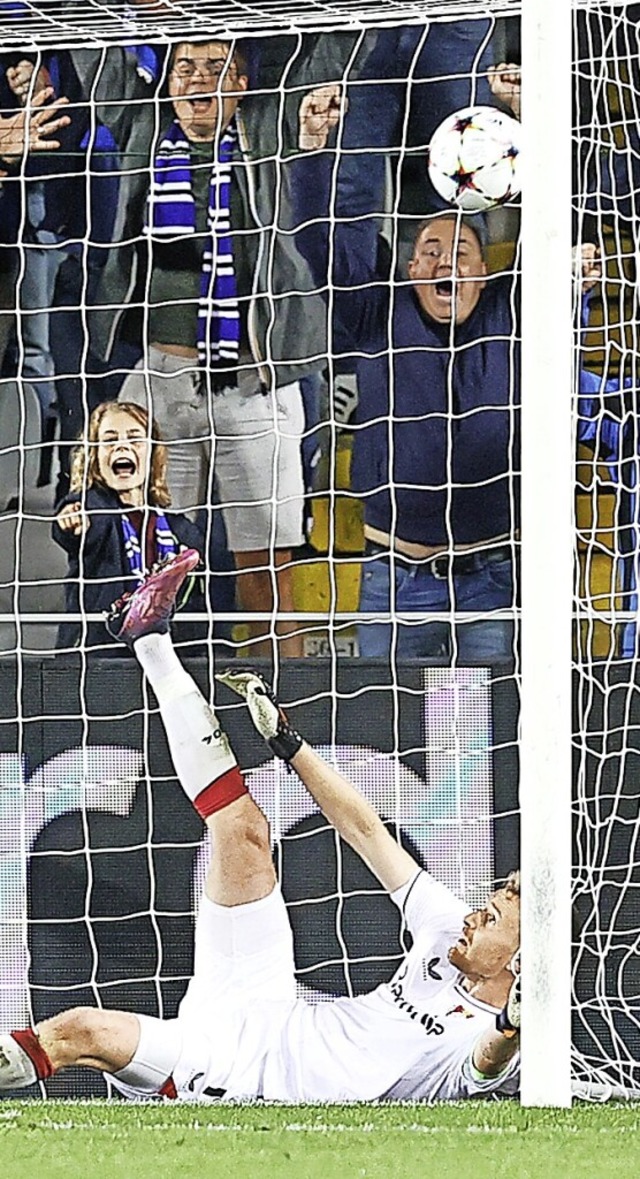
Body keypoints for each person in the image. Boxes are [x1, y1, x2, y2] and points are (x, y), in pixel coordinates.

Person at [0, 554, 520, 1101]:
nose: (472, 915)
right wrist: (291, 746)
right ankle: (149, 637)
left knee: (82, 1030)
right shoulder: (447, 931)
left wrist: (510, 1023)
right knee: (242, 827)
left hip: (241, 1071)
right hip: (266, 998)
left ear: (522, 955)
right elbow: (367, 831)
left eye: (492, 916)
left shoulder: (486, 1036)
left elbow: (485, 1066)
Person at [69, 37, 329, 656]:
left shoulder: (264, 131)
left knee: (265, 563)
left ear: (241, 85)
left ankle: (282, 710)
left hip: (250, 380)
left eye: (217, 69)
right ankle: (156, 708)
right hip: (159, 382)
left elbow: (324, 61)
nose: (198, 80)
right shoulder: (142, 128)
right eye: (185, 67)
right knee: (149, 559)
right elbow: (93, 58)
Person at [293, 86, 522, 662]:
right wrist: (315, 150)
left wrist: (525, 121)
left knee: (484, 743)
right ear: (409, 267)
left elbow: (561, 227)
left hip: (493, 580)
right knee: (388, 741)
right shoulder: (377, 311)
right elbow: (321, 237)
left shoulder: (512, 311)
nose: (444, 262)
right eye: (429, 251)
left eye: (461, 252)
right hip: (394, 581)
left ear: (486, 272)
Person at [52, 401, 205, 653]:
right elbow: (78, 523)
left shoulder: (181, 530)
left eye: (134, 439)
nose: (122, 445)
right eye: (110, 440)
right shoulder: (94, 506)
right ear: (94, 456)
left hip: (162, 652)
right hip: (100, 654)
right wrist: (72, 520)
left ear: (153, 453)